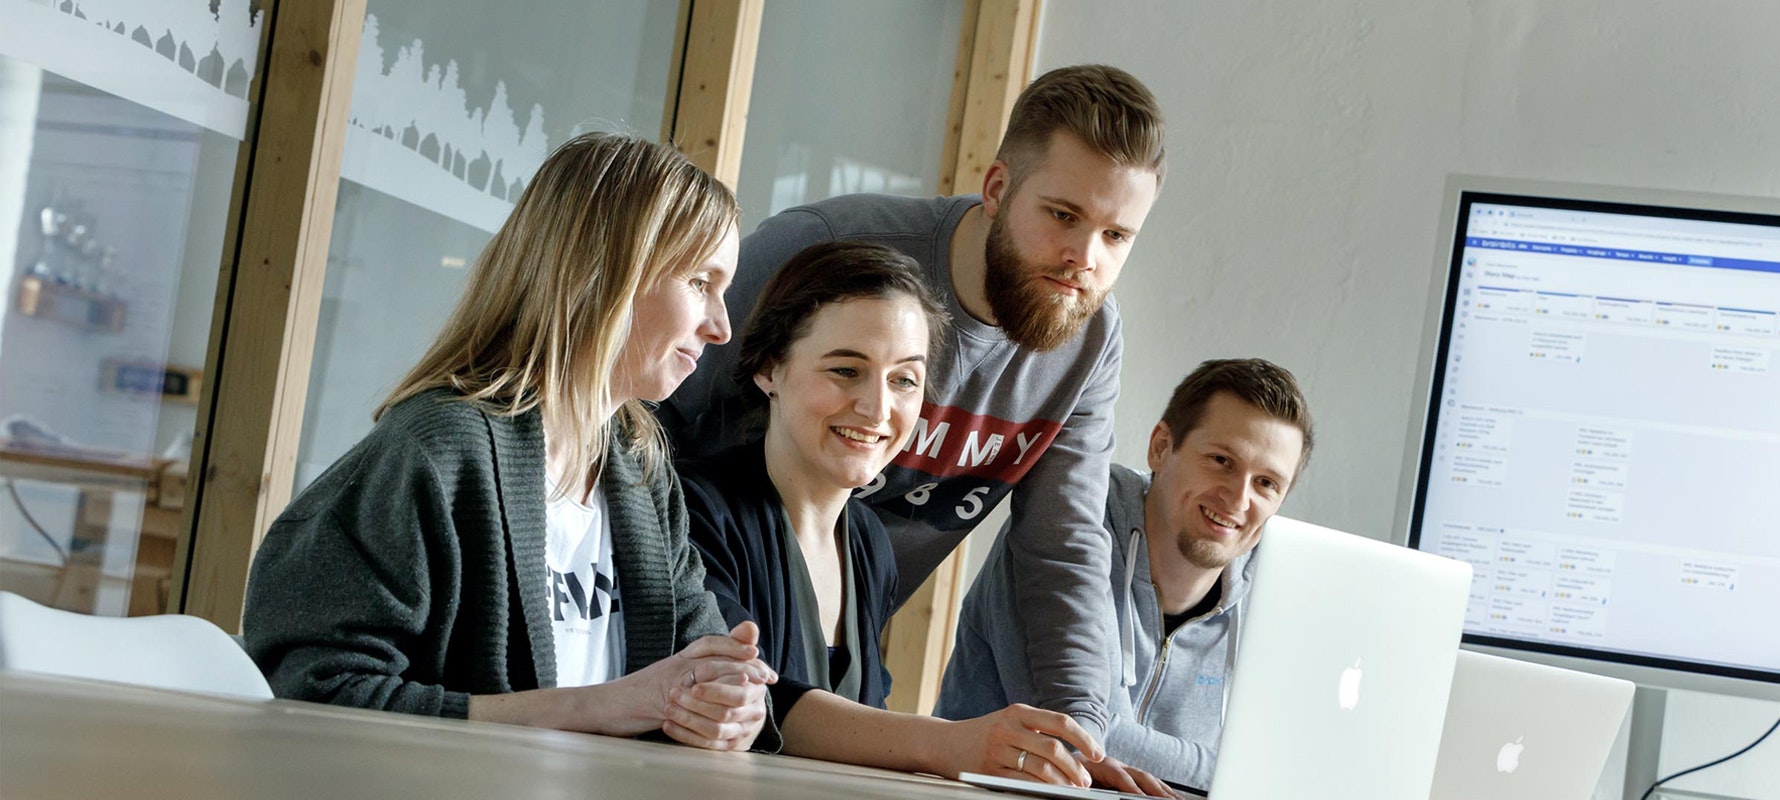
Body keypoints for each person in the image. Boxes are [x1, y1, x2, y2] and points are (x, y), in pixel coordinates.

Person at [661, 64, 1167, 745]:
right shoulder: (823, 247)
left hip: (845, 627)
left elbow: (1062, 548)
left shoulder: (1090, 340)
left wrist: (1080, 737)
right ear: (996, 188)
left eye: (1116, 236)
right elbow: (647, 417)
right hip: (694, 610)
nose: (1084, 258)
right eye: (1063, 216)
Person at [243, 133, 778, 752]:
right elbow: (313, 694)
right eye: (699, 283)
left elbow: (699, 674)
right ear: (604, 270)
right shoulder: (438, 450)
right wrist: (606, 707)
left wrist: (732, 708)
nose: (720, 328)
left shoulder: (640, 471)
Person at [678, 240, 1166, 794]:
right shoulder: (693, 512)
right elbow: (750, 701)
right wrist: (951, 743)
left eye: (904, 380)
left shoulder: (866, 543)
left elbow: (862, 744)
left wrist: (1051, 763)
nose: (877, 408)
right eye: (845, 370)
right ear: (770, 368)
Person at [936, 359, 1315, 790]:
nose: (1237, 499)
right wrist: (1234, 770)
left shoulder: (1274, 596)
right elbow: (1081, 735)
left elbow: (1289, 764)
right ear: (1160, 447)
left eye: (1266, 483)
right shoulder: (1064, 529)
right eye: (1221, 460)